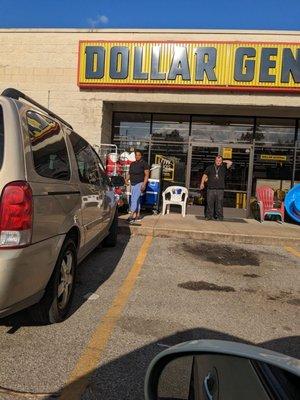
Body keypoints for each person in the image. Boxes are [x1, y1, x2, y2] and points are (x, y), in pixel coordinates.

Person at [200, 155, 232, 221]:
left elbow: (230, 163)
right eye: (217, 160)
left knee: (219, 204)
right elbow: (204, 175)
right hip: (210, 189)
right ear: (215, 161)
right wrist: (202, 183)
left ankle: (219, 217)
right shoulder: (210, 167)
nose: (218, 162)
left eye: (219, 161)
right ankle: (209, 216)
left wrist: (223, 161)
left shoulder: (224, 167)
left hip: (220, 189)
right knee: (209, 203)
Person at [127, 150, 150, 224]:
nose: (137, 156)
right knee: (136, 199)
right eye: (136, 155)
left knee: (134, 199)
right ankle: (137, 215)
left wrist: (144, 184)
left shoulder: (144, 164)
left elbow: (146, 175)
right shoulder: (132, 164)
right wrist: (126, 179)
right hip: (133, 183)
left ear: (141, 156)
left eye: (139, 155)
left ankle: (131, 215)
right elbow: (130, 174)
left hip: (140, 183)